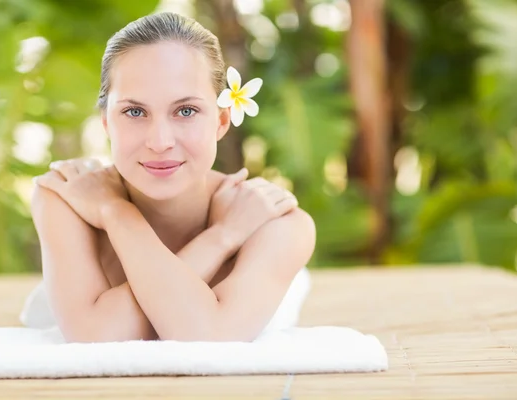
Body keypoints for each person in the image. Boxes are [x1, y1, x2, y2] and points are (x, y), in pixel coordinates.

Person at [28, 11, 316, 343]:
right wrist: (221, 237)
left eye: (186, 111)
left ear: (221, 122)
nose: (160, 141)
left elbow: (210, 338)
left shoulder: (275, 222)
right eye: (135, 112)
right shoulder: (67, 195)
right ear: (106, 123)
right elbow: (96, 336)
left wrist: (115, 213)